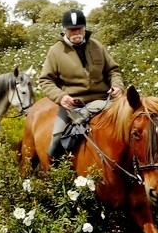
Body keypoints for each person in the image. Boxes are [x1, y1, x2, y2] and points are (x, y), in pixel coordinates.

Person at [38, 9, 124, 161]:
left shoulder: (97, 46)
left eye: (79, 28)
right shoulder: (55, 51)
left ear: (85, 28)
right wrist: (61, 97)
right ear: (65, 30)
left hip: (104, 102)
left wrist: (117, 85)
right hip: (73, 106)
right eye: (72, 29)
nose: (76, 32)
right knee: (56, 140)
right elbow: (46, 80)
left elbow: (113, 71)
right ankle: (59, 178)